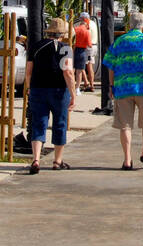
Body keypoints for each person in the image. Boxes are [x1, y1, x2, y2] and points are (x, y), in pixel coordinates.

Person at [104, 11, 143, 169]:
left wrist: (111, 86)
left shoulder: (119, 41)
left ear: (129, 24)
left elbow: (111, 66)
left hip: (123, 88)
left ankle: (127, 160)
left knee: (125, 125)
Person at [24, 17, 77, 174]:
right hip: (59, 90)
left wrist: (28, 87)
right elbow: (67, 72)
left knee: (38, 122)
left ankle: (36, 159)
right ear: (62, 34)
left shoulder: (36, 47)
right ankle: (57, 160)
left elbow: (28, 71)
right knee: (60, 123)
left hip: (38, 89)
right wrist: (73, 93)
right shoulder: (65, 48)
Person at [73, 14, 94, 92]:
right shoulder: (87, 32)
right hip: (82, 51)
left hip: (75, 50)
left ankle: (71, 86)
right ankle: (77, 88)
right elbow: (89, 44)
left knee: (72, 70)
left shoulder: (75, 29)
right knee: (79, 71)